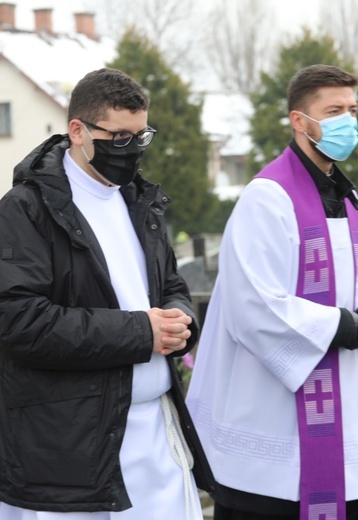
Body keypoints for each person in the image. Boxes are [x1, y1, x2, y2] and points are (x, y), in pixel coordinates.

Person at [0, 68, 212, 519]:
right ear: (77, 130)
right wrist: (141, 332)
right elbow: (20, 321)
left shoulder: (140, 201)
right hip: (72, 448)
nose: (132, 151)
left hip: (156, 433)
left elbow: (169, 284)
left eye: (141, 136)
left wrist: (178, 320)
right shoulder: (26, 209)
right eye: (118, 138)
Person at [186, 64, 358, 520]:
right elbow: (253, 307)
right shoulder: (267, 197)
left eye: (353, 110)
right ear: (300, 121)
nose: (349, 121)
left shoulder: (343, 194)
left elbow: (355, 270)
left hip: (343, 403)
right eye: (334, 110)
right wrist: (342, 324)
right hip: (274, 420)